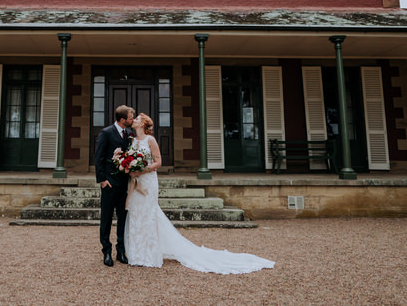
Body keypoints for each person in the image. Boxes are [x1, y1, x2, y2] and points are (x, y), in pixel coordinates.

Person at [124, 113, 275, 274]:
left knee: (148, 214)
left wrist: (141, 170)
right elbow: (130, 160)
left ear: (143, 124)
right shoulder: (132, 141)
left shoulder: (150, 140)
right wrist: (129, 168)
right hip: (135, 183)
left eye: (137, 119)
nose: (134, 120)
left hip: (147, 181)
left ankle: (149, 255)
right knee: (136, 214)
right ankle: (136, 254)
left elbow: (158, 162)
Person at [94, 104, 135, 267]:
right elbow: (99, 158)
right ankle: (106, 251)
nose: (133, 119)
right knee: (106, 219)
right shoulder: (106, 133)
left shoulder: (130, 134)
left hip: (124, 183)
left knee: (123, 218)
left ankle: (121, 251)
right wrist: (102, 180)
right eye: (131, 117)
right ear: (123, 119)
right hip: (109, 183)